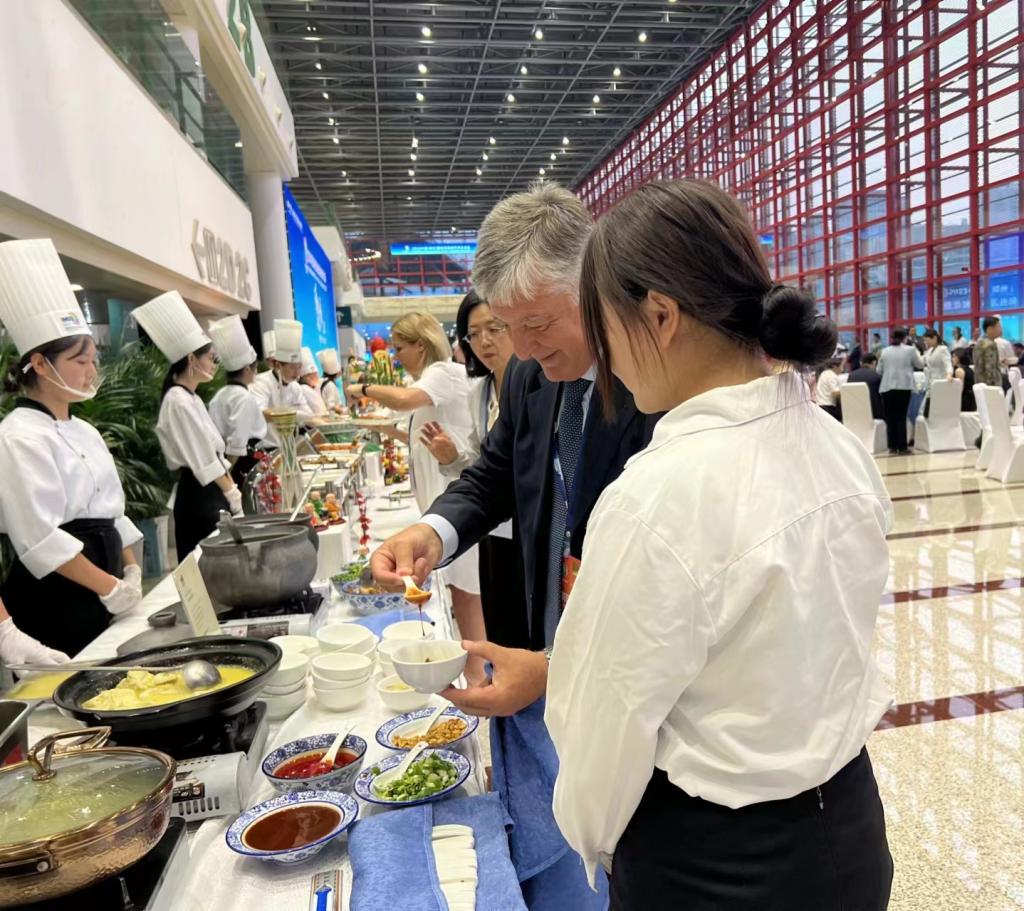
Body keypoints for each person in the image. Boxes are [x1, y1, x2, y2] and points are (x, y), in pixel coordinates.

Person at [542, 177, 893, 911]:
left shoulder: (656, 496)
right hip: (852, 830)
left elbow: (603, 728)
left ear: (660, 315)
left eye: (605, 328)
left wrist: (594, 843)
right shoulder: (837, 446)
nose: (607, 356)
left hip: (714, 865)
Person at [370, 182, 659, 911]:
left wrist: (566, 672)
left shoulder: (654, 386)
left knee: (627, 842)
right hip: (545, 633)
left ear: (592, 283)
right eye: (505, 326)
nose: (522, 348)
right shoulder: (533, 375)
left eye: (537, 323)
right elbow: (496, 473)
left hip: (638, 676)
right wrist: (431, 530)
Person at [0, 238, 143, 656]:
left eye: (93, 360)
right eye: (80, 362)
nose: (91, 371)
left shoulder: (84, 430)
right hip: (59, 594)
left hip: (106, 581)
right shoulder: (18, 435)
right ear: (40, 365)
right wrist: (109, 586)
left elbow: (112, 512)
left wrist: (131, 571)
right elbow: (39, 538)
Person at [347, 312, 487, 684]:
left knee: (467, 593)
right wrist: (382, 429)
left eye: (399, 348)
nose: (397, 357)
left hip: (458, 501)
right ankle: (476, 671)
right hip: (446, 502)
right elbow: (421, 435)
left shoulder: (442, 372)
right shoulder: (434, 381)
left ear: (420, 346)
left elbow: (405, 399)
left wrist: (362, 388)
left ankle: (478, 675)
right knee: (460, 590)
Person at [419, 290, 528, 650]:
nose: (484, 341)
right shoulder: (478, 393)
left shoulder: (542, 387)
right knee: (499, 625)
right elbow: (486, 469)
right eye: (474, 334)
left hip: (531, 530)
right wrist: (451, 457)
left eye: (494, 329)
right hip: (494, 529)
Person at [134, 291, 240, 561]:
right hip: (199, 495)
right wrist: (230, 490)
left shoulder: (191, 398)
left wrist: (229, 488)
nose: (214, 365)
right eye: (211, 358)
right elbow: (203, 459)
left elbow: (213, 454)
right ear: (192, 359)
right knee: (207, 567)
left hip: (210, 491)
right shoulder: (177, 401)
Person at [208, 315, 267, 490]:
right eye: (255, 369)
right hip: (243, 462)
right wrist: (228, 476)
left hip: (224, 459)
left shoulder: (220, 395)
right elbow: (237, 442)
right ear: (247, 369)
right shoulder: (244, 397)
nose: (256, 374)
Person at [251, 319, 315, 448]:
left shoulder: (295, 386)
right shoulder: (261, 382)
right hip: (267, 448)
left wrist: (325, 422)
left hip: (289, 446)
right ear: (278, 365)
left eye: (299, 367)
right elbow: (260, 413)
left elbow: (308, 415)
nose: (297, 373)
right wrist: (293, 415)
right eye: (292, 367)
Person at [878, 327, 924, 454]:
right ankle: (902, 447)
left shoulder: (885, 351)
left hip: (887, 387)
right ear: (905, 338)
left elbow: (879, 370)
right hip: (904, 386)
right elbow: (920, 364)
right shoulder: (910, 350)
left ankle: (892, 447)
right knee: (901, 416)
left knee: (890, 417)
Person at [848, 353, 885, 419]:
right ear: (874, 362)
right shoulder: (877, 377)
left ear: (860, 363)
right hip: (874, 414)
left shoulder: (851, 376)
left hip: (855, 412)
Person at [298, 347, 329, 418]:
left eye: (315, 374)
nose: (315, 377)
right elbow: (319, 411)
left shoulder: (315, 388)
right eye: (310, 375)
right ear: (303, 377)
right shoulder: (304, 388)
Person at [974, 317, 1003, 388]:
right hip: (991, 386)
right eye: (998, 326)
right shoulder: (990, 345)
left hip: (980, 385)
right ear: (990, 329)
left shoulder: (979, 342)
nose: (1001, 329)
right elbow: (990, 369)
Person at [316, 348, 345, 414]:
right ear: (337, 372)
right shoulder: (330, 384)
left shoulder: (321, 380)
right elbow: (331, 406)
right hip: (331, 416)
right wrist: (343, 411)